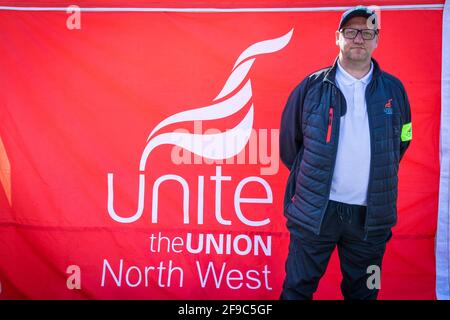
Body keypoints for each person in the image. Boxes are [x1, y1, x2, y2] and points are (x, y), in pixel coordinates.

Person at [279, 5, 412, 300]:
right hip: (315, 213)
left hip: (371, 219)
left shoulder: (394, 90)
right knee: (296, 290)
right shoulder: (311, 87)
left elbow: (403, 139)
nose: (359, 39)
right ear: (337, 37)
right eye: (351, 32)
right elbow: (290, 145)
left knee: (366, 293)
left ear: (377, 39)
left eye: (367, 32)